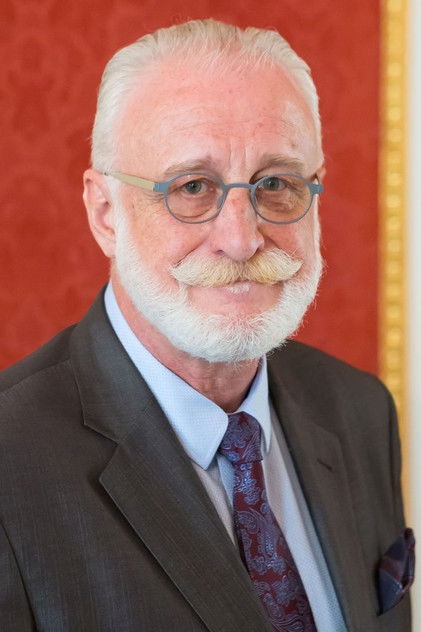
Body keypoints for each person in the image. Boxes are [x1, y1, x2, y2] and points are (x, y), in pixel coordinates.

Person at [0, 19, 413, 632]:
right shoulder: (10, 464)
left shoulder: (359, 412)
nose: (242, 239)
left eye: (276, 184)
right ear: (106, 212)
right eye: (192, 187)